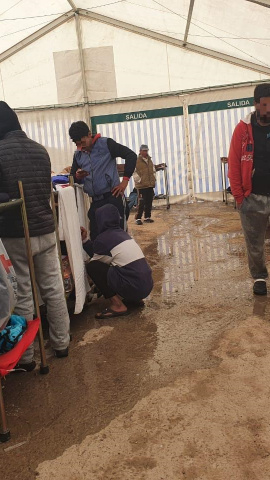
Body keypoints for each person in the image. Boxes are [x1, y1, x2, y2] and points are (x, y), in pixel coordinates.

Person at [0, 102, 70, 369]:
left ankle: (27, 356)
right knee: (53, 289)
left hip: (16, 234)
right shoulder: (40, 150)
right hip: (45, 229)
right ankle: (61, 343)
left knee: (24, 294)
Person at [228, 83, 270, 295]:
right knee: (254, 241)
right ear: (256, 105)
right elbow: (234, 163)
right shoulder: (242, 129)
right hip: (252, 196)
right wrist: (239, 197)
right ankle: (259, 277)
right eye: (265, 105)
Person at [81, 204, 153, 318]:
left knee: (92, 267)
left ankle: (118, 305)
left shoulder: (103, 239)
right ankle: (133, 298)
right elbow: (100, 254)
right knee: (115, 267)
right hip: (145, 287)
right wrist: (85, 240)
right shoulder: (123, 234)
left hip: (134, 286)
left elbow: (96, 261)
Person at [69, 121, 137, 240]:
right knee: (96, 239)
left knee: (119, 238)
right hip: (95, 202)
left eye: (82, 142)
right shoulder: (78, 155)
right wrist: (78, 177)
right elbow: (72, 178)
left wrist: (125, 181)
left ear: (89, 134)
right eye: (77, 144)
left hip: (113, 198)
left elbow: (131, 155)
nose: (80, 147)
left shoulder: (106, 144)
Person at [134, 144, 156, 225]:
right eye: (143, 150)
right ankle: (138, 218)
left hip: (150, 184)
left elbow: (153, 170)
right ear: (140, 151)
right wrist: (139, 180)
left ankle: (147, 217)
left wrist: (154, 178)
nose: (145, 152)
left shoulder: (150, 160)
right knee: (141, 202)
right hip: (141, 186)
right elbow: (134, 172)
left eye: (146, 150)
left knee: (149, 201)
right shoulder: (136, 160)